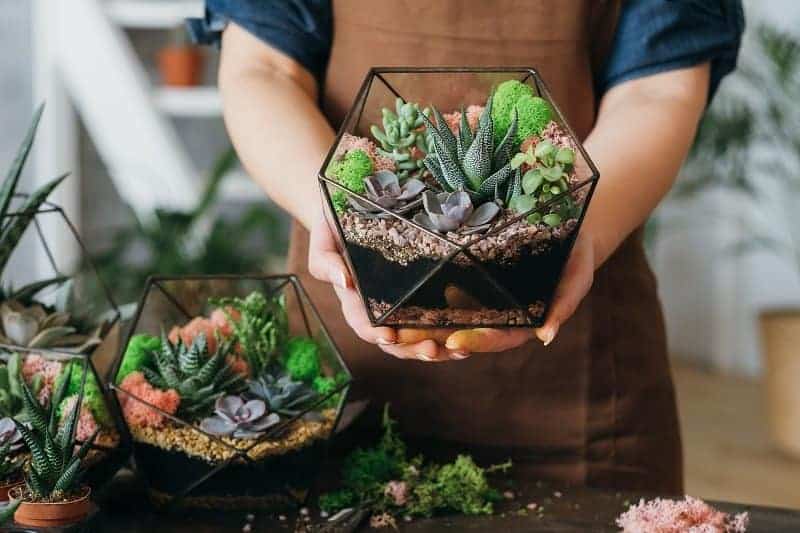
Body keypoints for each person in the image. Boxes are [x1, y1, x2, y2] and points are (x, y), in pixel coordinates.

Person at [189, 0, 744, 493]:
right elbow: (264, 67)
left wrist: (575, 228)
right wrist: (334, 210)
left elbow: (657, 88)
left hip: (583, 396)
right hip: (351, 358)